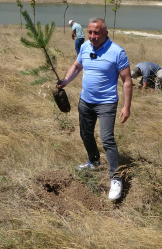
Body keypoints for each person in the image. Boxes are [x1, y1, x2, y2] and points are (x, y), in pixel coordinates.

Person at [57, 18, 132, 201]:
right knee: (85, 134)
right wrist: (66, 81)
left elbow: (127, 81)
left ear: (106, 33)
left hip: (106, 103)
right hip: (86, 101)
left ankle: (115, 178)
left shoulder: (117, 52)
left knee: (107, 139)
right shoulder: (85, 47)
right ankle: (94, 161)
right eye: (90, 32)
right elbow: (77, 66)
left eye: (96, 32)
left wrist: (126, 106)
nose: (92, 36)